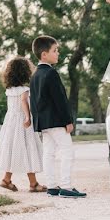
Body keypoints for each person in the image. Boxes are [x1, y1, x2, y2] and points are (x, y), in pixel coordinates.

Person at [30, 35, 86, 198]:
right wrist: (67, 120)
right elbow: (60, 99)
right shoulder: (51, 73)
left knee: (49, 153)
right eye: (55, 51)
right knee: (67, 151)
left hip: (44, 122)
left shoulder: (35, 76)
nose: (58, 53)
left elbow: (33, 101)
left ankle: (52, 186)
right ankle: (66, 186)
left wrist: (37, 121)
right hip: (56, 120)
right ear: (44, 55)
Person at [0, 56, 45, 193]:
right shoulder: (24, 90)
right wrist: (28, 117)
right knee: (28, 149)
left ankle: (6, 179)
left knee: (13, 150)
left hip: (11, 123)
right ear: (25, 72)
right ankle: (33, 184)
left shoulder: (9, 90)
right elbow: (24, 102)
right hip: (22, 122)